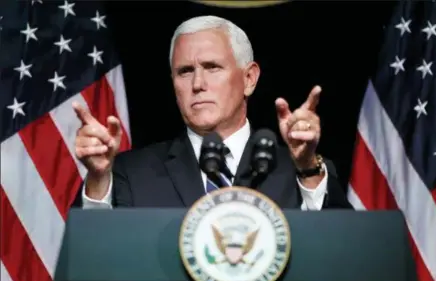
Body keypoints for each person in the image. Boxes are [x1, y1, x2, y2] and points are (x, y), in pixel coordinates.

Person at [71, 15, 352, 209]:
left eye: (212, 67)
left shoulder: (302, 170)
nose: (197, 84)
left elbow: (341, 253)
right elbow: (93, 256)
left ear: (249, 79)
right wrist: (97, 180)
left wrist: (306, 168)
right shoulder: (128, 174)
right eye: (185, 71)